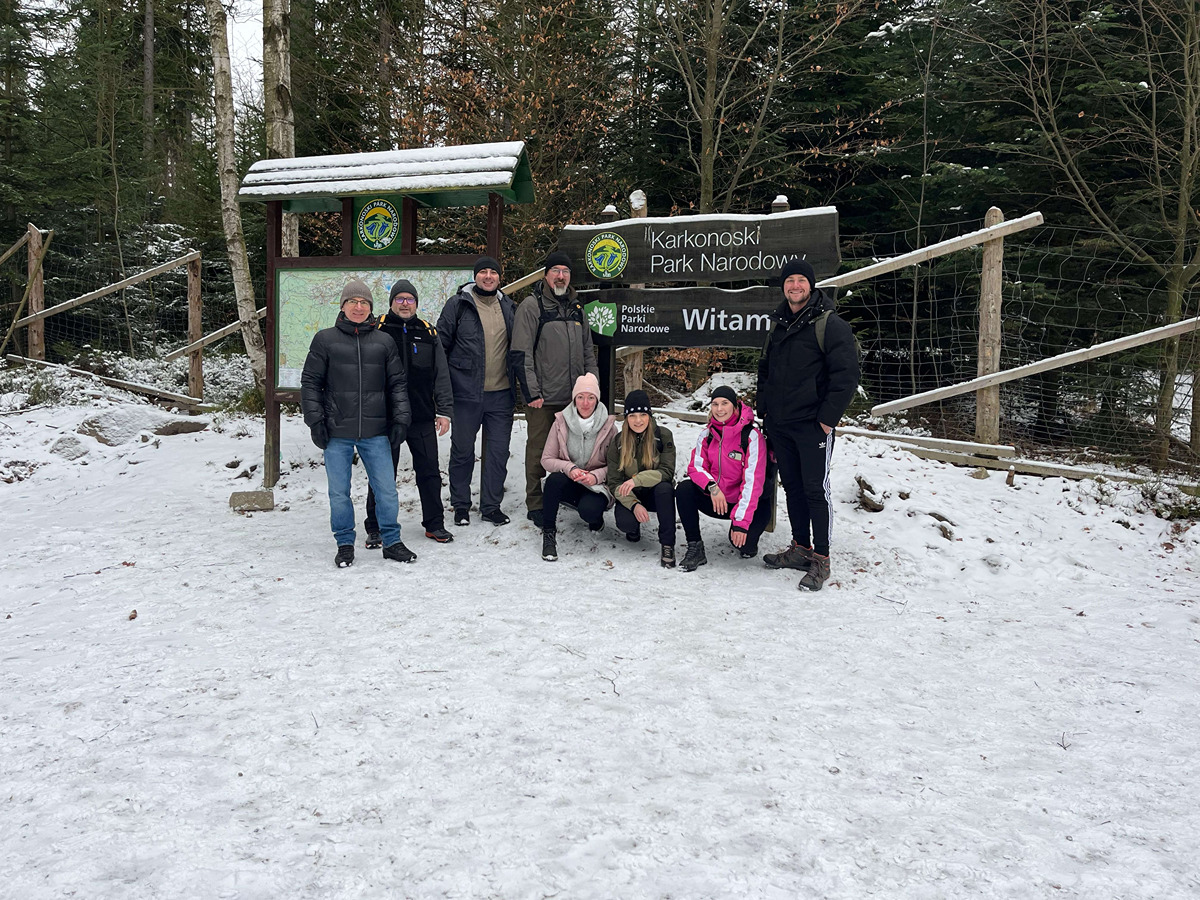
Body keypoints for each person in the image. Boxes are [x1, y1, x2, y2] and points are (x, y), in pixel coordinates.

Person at [757, 258, 860, 591]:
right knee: (794, 488)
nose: (795, 286)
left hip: (813, 426)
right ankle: (800, 548)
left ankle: (822, 559)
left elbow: (846, 377)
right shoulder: (778, 324)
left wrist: (827, 421)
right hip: (781, 425)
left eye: (801, 280)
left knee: (816, 490)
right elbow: (765, 370)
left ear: (811, 285)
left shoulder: (830, 325)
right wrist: (765, 413)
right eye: (790, 280)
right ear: (783, 286)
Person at [300, 279, 415, 567]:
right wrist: (315, 420)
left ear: (370, 308)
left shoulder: (383, 342)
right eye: (353, 301)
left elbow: (397, 384)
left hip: (376, 431)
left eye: (364, 303)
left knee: (386, 490)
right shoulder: (325, 340)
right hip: (336, 431)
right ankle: (344, 543)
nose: (359, 307)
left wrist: (401, 419)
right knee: (339, 493)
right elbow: (311, 383)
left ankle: (392, 541)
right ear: (343, 306)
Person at [363, 278, 455, 547]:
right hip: (385, 418)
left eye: (410, 299)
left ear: (416, 303)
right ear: (391, 302)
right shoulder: (376, 328)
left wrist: (444, 411)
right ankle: (375, 527)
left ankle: (434, 524)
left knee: (429, 472)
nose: (405, 304)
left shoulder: (428, 332)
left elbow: (441, 375)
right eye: (400, 299)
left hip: (421, 415)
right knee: (382, 474)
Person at [511, 251, 599, 529]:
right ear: (546, 275)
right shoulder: (531, 306)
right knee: (539, 450)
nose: (561, 276)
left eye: (565, 271)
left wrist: (592, 390)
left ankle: (569, 495)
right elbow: (520, 353)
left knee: (575, 452)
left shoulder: (577, 307)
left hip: (574, 401)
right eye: (555, 271)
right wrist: (531, 393)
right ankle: (536, 502)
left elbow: (588, 352)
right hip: (544, 398)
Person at [437, 256, 517, 527]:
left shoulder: (508, 307)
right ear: (475, 276)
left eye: (493, 272)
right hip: (465, 394)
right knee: (462, 452)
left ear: (500, 277)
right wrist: (443, 390)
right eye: (483, 271)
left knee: (498, 453)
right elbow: (440, 347)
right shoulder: (458, 305)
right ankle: (460, 505)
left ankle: (491, 506)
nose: (488, 276)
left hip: (501, 394)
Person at [675, 385, 770, 572]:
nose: (719, 409)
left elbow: (753, 483)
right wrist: (712, 487)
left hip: (749, 504)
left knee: (743, 545)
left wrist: (740, 524)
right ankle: (695, 547)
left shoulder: (751, 436)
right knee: (684, 489)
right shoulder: (707, 434)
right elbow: (696, 466)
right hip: (718, 500)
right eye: (715, 404)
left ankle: (749, 541)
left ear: (735, 406)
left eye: (725, 403)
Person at [538, 373, 616, 562]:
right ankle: (549, 535)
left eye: (591, 397)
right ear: (574, 399)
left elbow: (616, 466)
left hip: (596, 486)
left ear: (597, 400)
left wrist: (595, 476)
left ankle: (596, 520)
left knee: (589, 511)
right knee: (553, 481)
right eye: (580, 397)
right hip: (570, 480)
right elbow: (546, 459)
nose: (585, 403)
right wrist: (570, 468)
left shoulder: (609, 427)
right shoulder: (560, 422)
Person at [606, 389, 679, 568]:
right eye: (632, 416)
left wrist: (637, 479)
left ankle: (667, 544)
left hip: (655, 493)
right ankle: (633, 528)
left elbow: (666, 472)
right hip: (630, 493)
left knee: (665, 489)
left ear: (649, 415)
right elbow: (614, 482)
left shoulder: (663, 436)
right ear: (626, 418)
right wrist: (634, 504)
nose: (638, 420)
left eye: (643, 415)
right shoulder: (618, 441)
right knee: (625, 523)